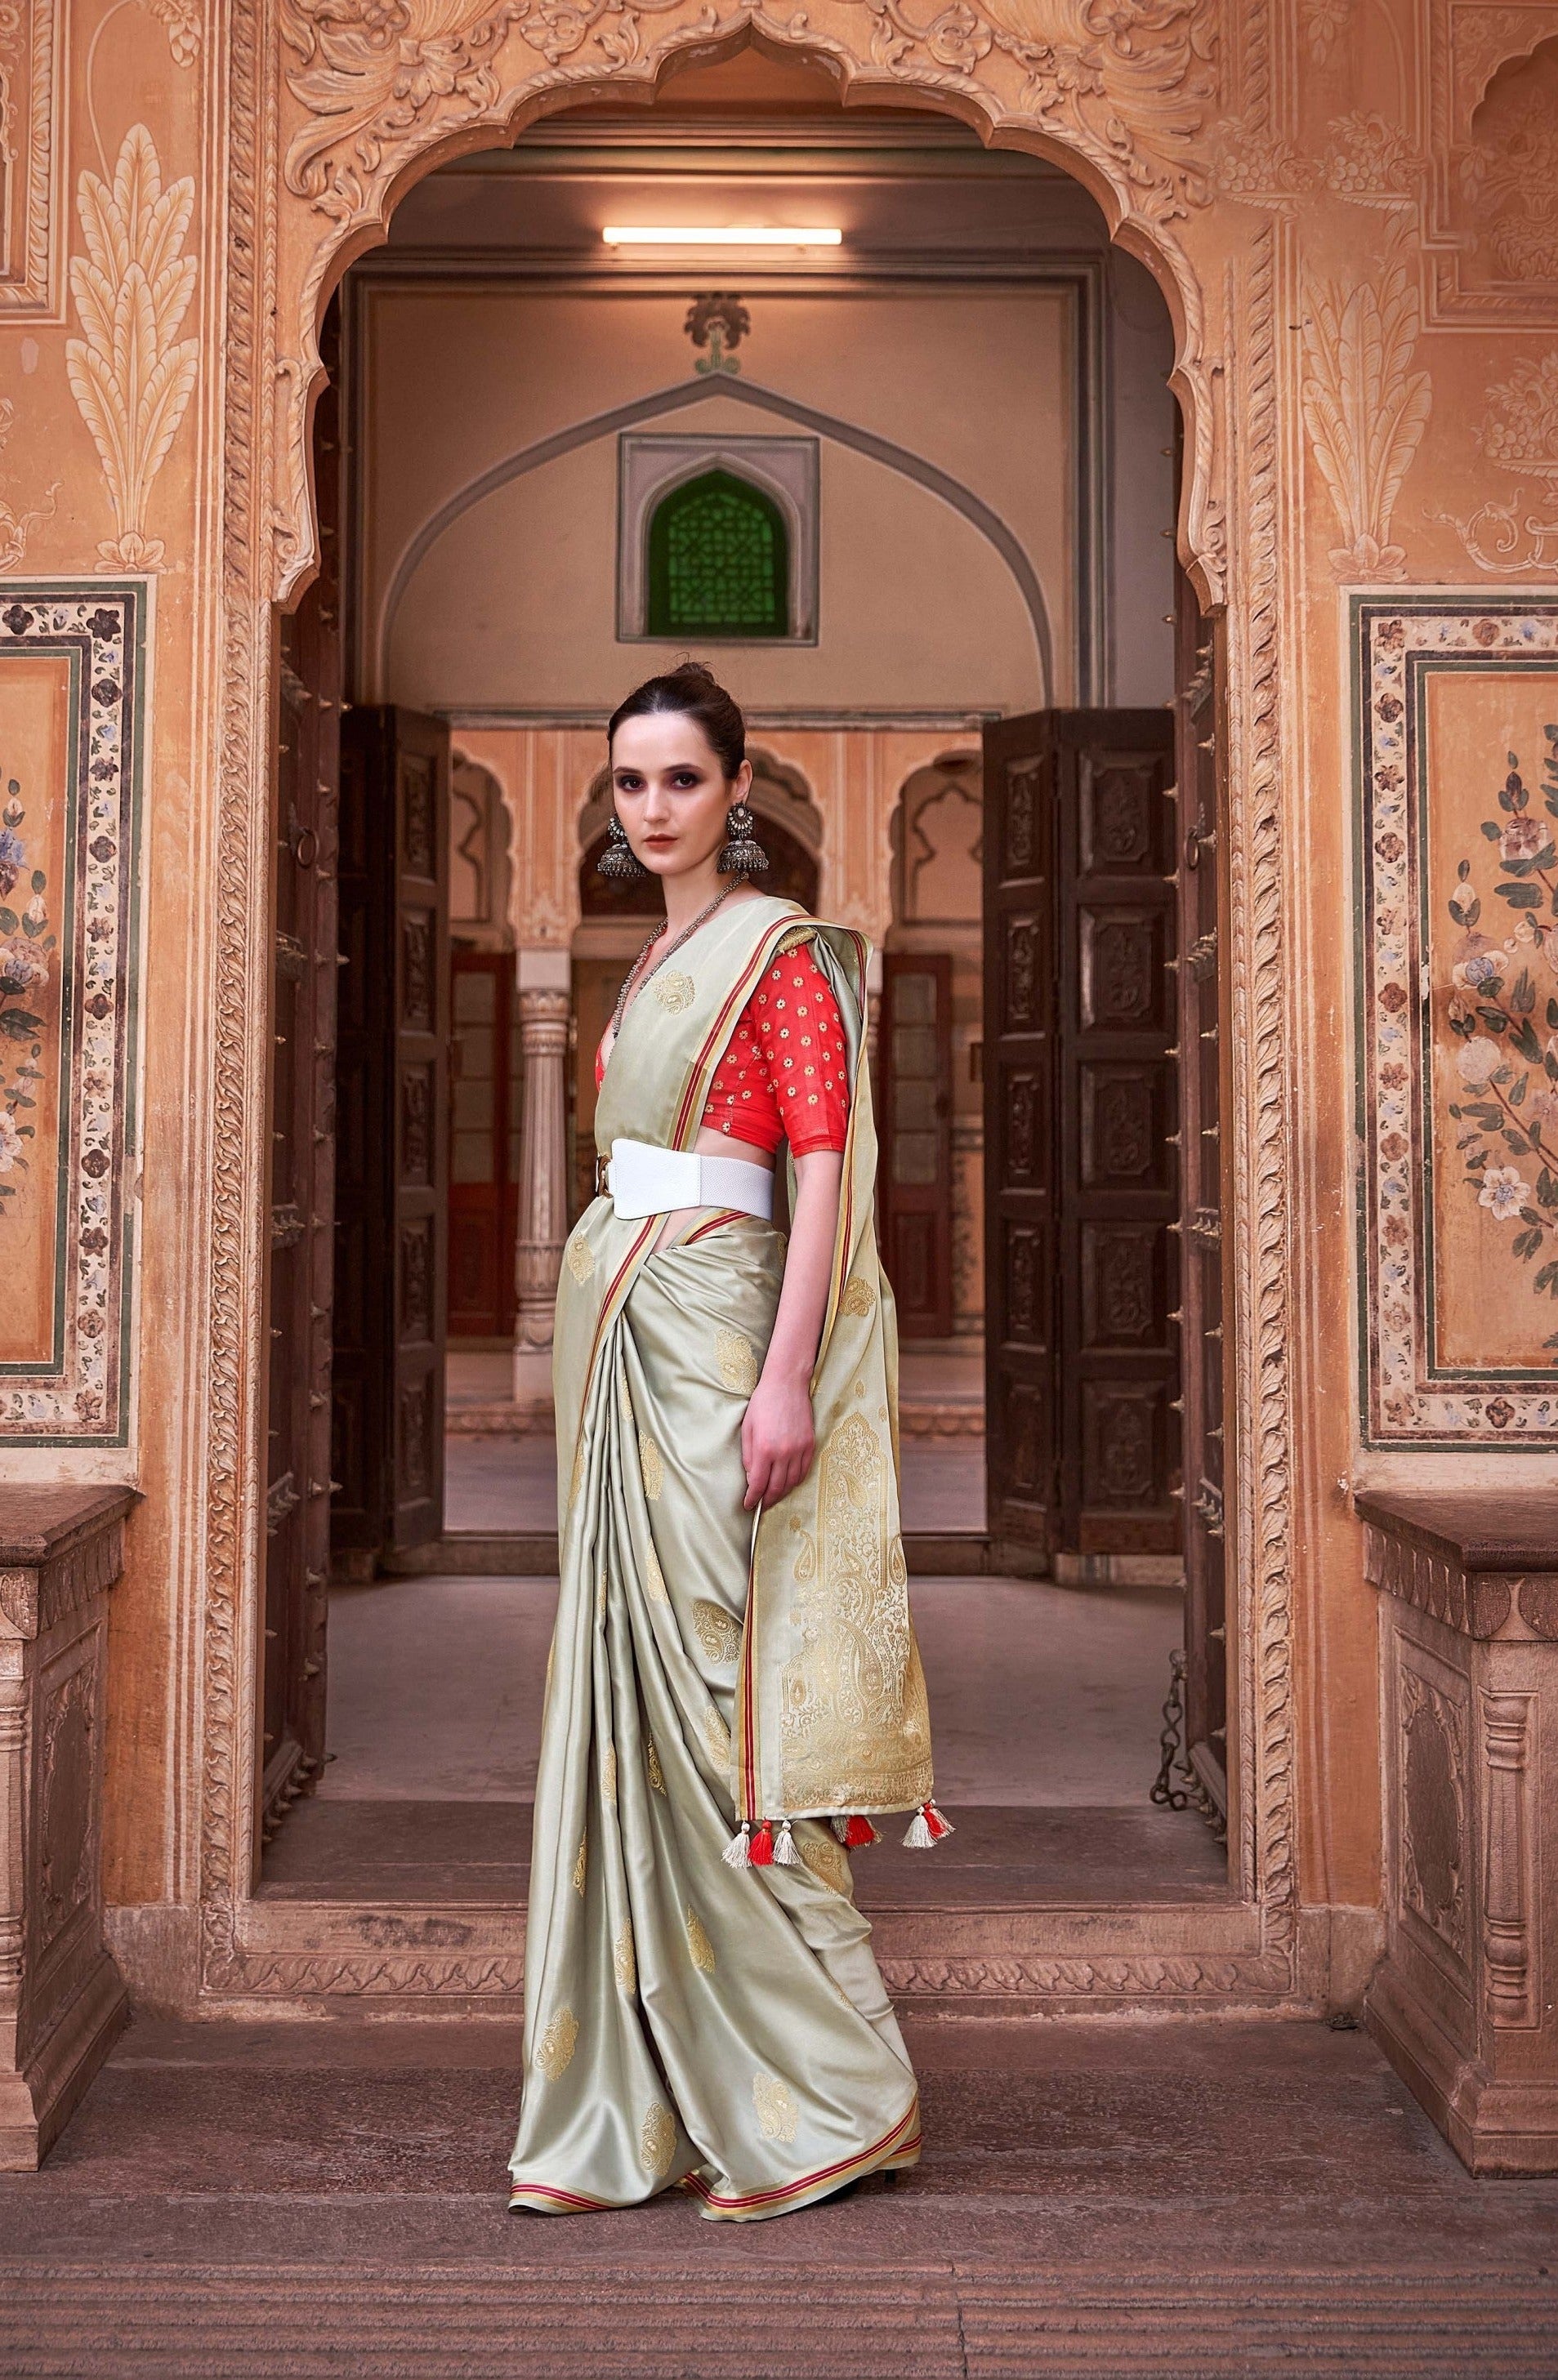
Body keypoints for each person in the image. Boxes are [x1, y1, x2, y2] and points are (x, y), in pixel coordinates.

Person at [507, 663, 949, 2223]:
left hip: (717, 1338)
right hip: (626, 1327)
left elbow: (819, 1174)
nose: (652, 809)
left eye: (680, 780)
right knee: (627, 1686)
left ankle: (830, 2087)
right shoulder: (651, 959)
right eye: (629, 784)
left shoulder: (778, 954)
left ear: (735, 791)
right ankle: (664, 2085)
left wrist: (786, 1380)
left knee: (714, 1679)